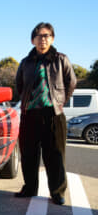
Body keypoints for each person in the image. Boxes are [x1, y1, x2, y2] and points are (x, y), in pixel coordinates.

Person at [15, 22, 77, 205]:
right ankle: (29, 188)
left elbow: (71, 82)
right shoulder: (25, 63)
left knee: (55, 155)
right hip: (30, 114)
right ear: (33, 40)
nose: (43, 39)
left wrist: (59, 102)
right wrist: (27, 102)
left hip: (53, 114)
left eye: (47, 35)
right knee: (28, 154)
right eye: (39, 36)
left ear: (52, 38)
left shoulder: (61, 59)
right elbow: (19, 84)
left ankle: (57, 192)